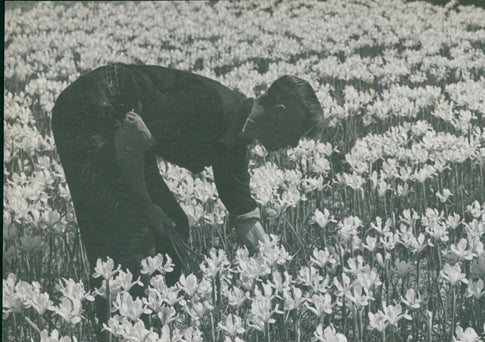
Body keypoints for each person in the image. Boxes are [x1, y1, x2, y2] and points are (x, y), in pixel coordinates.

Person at [52, 63, 324, 285]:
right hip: (92, 108)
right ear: (280, 114)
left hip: (124, 128)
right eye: (297, 134)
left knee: (173, 227)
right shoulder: (211, 105)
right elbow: (129, 133)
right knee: (132, 236)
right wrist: (148, 206)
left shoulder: (235, 144)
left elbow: (244, 216)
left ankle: (156, 309)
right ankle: (118, 323)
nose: (294, 144)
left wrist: (277, 272)